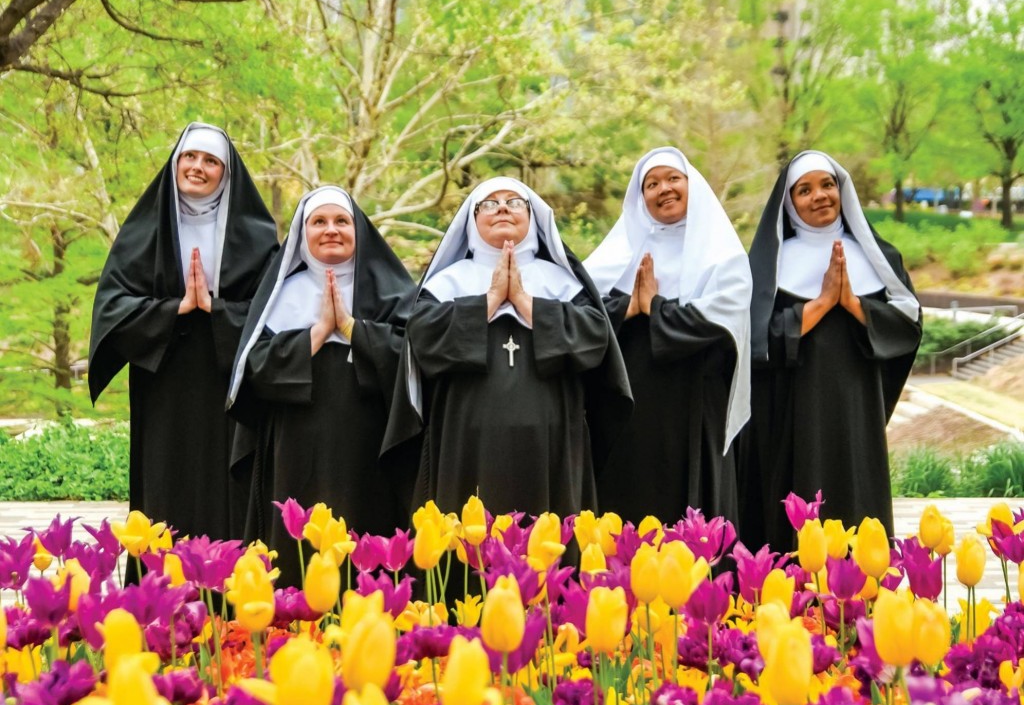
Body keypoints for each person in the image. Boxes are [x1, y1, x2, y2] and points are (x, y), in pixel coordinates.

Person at [385, 177, 631, 520]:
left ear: (533, 217)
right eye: (488, 203)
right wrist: (489, 300)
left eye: (514, 202)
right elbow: (422, 341)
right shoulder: (447, 282)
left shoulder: (563, 282)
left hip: (552, 443)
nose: (502, 207)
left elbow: (595, 341)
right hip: (465, 444)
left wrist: (524, 301)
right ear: (471, 221)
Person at [89, 123, 278, 542]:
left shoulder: (257, 238)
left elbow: (274, 310)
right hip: (165, 383)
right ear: (175, 163)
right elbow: (112, 308)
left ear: (227, 174)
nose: (197, 167)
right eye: (189, 157)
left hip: (227, 382)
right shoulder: (143, 233)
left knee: (227, 488)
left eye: (211, 161)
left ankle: (230, 592)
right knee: (165, 489)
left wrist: (217, 310)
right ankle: (160, 595)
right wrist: (176, 309)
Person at [227, 187, 415, 585]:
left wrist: (351, 328)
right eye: (319, 222)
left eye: (341, 221)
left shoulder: (392, 291)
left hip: (369, 448)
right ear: (302, 233)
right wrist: (315, 335)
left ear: (358, 230)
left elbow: (414, 361)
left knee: (366, 539)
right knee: (298, 542)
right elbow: (252, 371)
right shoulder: (282, 293)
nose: (331, 230)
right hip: (294, 449)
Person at [738, 150, 921, 552]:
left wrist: (855, 304)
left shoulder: (878, 258)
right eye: (804, 190)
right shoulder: (767, 267)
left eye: (827, 184)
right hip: (794, 413)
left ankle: (864, 596)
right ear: (789, 203)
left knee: (858, 500)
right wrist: (819, 305)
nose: (819, 196)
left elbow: (908, 325)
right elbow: (752, 341)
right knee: (799, 507)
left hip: (857, 411)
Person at [584, 147, 752, 527]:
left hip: (694, 403)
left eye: (673, 179)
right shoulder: (618, 253)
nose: (664, 189)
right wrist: (628, 308)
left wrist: (656, 308)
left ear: (692, 185)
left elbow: (726, 322)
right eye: (652, 183)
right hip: (628, 406)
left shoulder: (723, 255)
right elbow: (581, 313)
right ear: (640, 197)